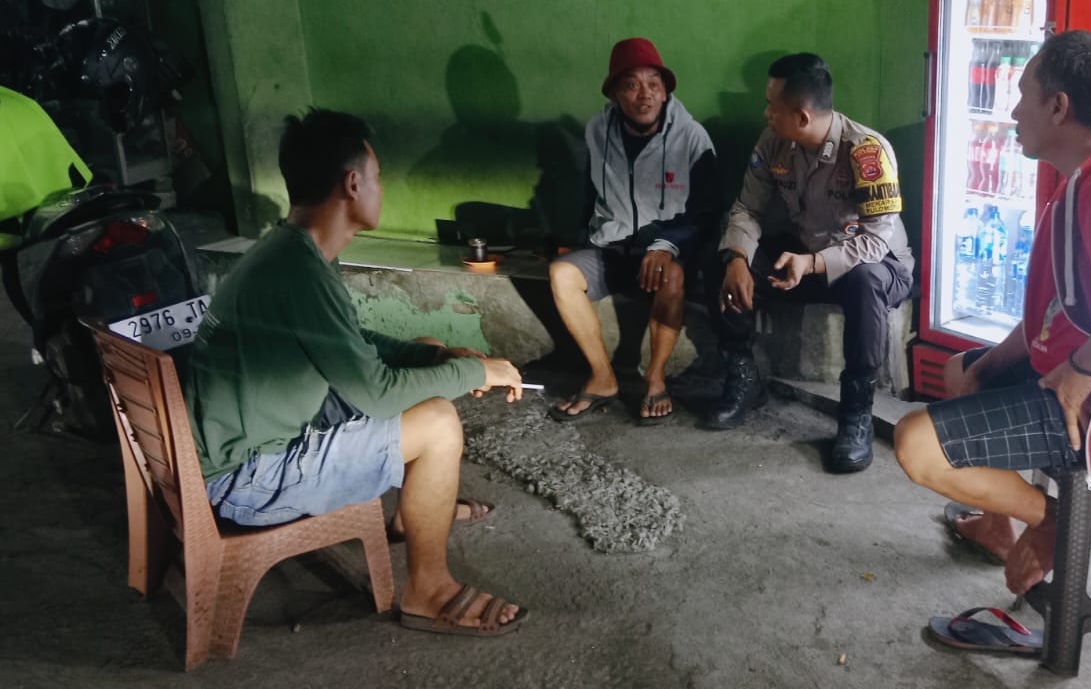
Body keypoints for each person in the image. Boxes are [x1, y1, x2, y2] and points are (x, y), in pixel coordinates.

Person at [894, 31, 1091, 613]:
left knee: (917, 445)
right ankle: (997, 524)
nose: (1014, 112)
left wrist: (1080, 371)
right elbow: (1058, 311)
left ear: (1059, 107)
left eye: (1024, 96)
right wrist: (988, 367)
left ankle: (1055, 521)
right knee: (961, 370)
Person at [185, 109, 529, 636]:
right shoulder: (299, 271)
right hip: (249, 478)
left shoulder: (291, 250)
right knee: (439, 423)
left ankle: (413, 514)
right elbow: (377, 394)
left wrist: (439, 359)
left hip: (246, 436)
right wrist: (474, 372)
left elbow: (352, 341)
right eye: (378, 177)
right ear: (352, 184)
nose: (380, 188)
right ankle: (427, 591)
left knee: (426, 349)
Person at [703, 52, 915, 474]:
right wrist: (738, 258)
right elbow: (747, 208)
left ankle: (856, 411)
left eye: (772, 106)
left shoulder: (867, 151)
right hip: (802, 254)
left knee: (866, 282)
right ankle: (743, 376)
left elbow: (875, 240)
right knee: (722, 257)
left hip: (874, 263)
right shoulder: (773, 142)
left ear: (801, 117)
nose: (765, 114)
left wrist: (814, 263)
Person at [546, 37, 717, 425]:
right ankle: (603, 378)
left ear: (666, 91)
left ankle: (655, 379)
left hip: (664, 253)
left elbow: (707, 212)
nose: (645, 95)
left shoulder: (692, 137)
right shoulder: (597, 130)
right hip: (611, 247)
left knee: (673, 276)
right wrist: (575, 240)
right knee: (561, 274)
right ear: (614, 94)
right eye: (632, 85)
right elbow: (590, 191)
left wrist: (666, 244)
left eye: (654, 84)